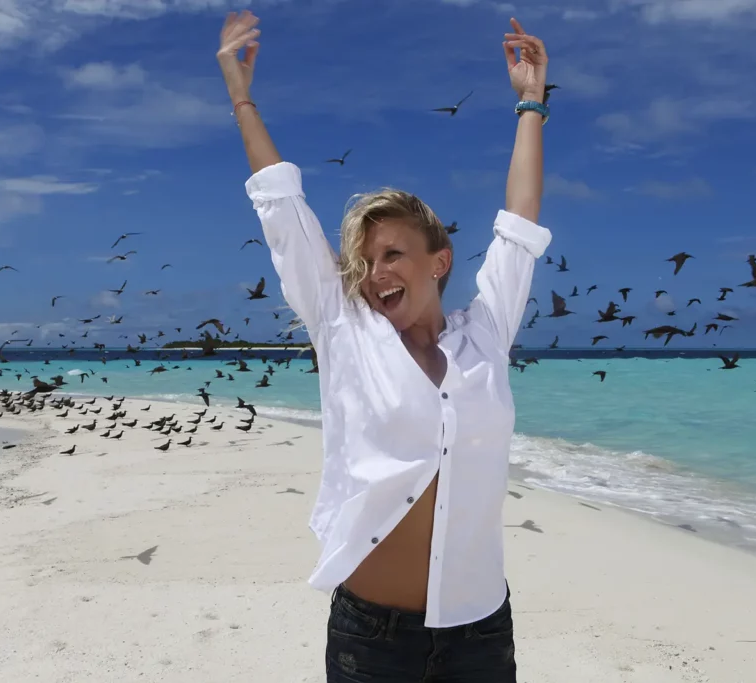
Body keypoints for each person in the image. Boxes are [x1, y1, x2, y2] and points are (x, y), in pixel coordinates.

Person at [217, 10, 552, 682]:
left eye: (394, 253)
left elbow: (518, 225)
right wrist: (242, 98)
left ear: (440, 261)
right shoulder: (345, 331)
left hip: (480, 633)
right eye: (366, 261)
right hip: (371, 638)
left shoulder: (484, 334)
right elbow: (281, 207)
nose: (376, 274)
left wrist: (530, 104)